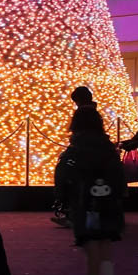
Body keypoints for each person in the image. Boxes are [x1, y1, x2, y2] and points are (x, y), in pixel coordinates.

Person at [66, 108, 125, 275]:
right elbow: (119, 178)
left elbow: (66, 177)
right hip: (109, 206)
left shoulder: (77, 148)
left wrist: (65, 201)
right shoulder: (108, 147)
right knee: (106, 253)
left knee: (92, 255)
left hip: (87, 206)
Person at [52, 87, 98, 227]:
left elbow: (77, 133)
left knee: (65, 175)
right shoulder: (93, 111)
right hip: (91, 151)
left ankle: (71, 213)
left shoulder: (83, 112)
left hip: (82, 152)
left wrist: (70, 151)